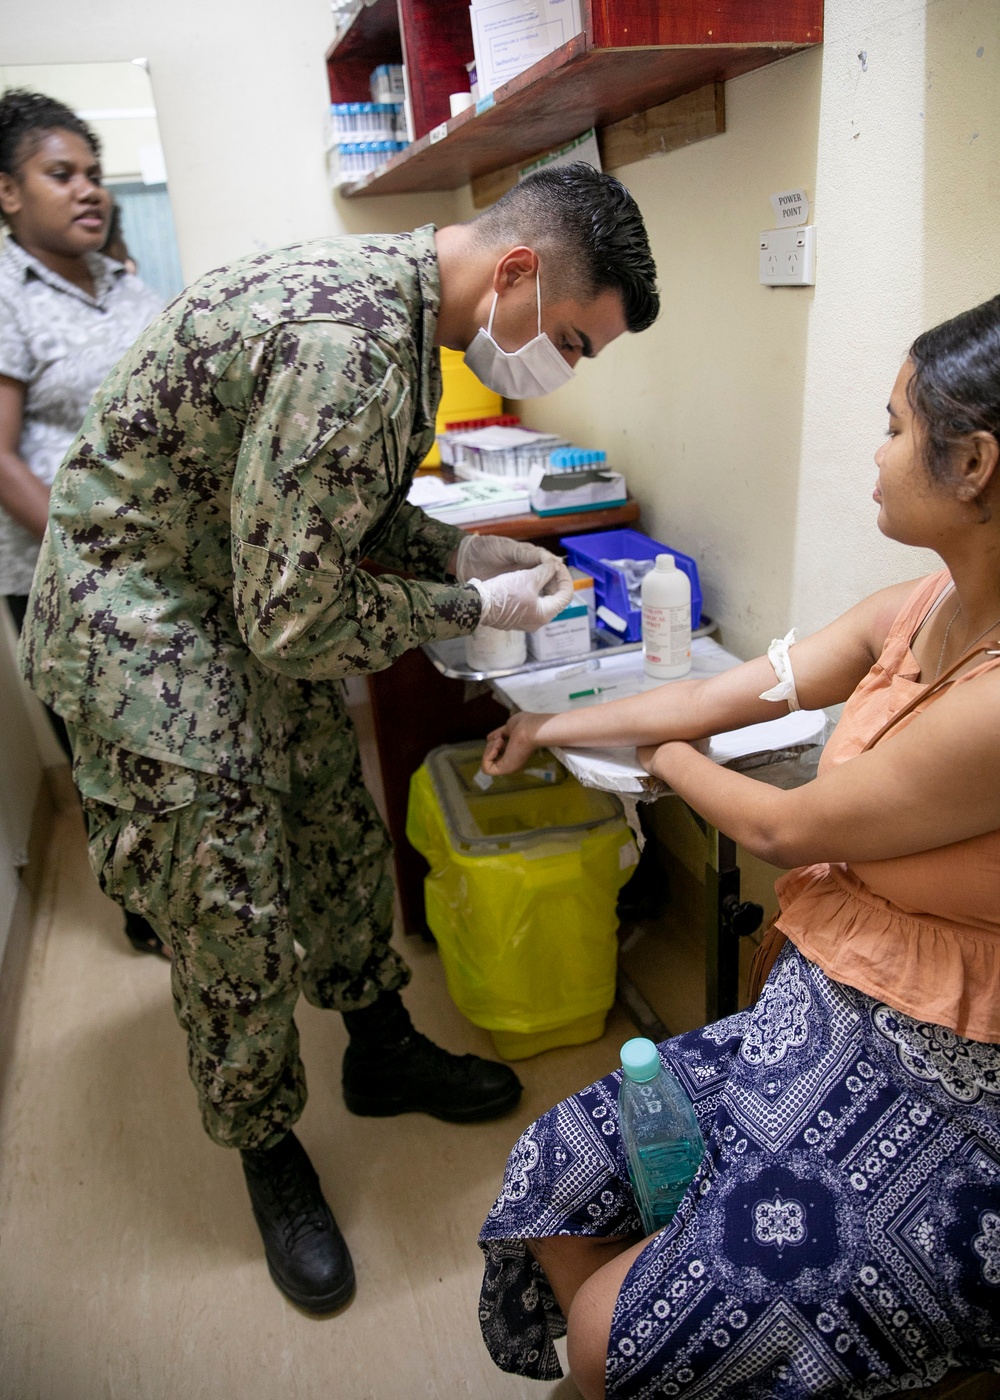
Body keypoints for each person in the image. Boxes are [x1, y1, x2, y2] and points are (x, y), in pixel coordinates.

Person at [17, 163, 660, 1315]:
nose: (563, 365)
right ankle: (267, 1145)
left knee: (330, 821)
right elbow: (301, 612)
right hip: (144, 614)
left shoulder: (404, 311)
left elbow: (334, 506)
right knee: (229, 905)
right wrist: (473, 607)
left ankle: (378, 1042)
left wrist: (454, 554)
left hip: (235, 587)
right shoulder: (350, 342)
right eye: (572, 338)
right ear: (517, 272)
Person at [477, 297, 1000, 1397]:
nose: (876, 448)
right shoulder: (921, 606)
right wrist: (552, 723)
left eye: (897, 425)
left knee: (611, 1333)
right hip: (831, 998)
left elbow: (776, 827)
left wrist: (665, 762)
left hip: (943, 1067)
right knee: (556, 1164)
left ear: (975, 464)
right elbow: (732, 689)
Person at [0, 89, 165, 955]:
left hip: (155, 561)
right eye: (60, 174)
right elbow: (0, 460)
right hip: (63, 577)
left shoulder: (123, 281)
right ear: (8, 192)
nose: (88, 190)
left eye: (95, 175)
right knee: (112, 759)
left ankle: (202, 889)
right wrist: (93, 561)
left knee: (172, 739)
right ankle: (150, 909)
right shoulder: (5, 293)